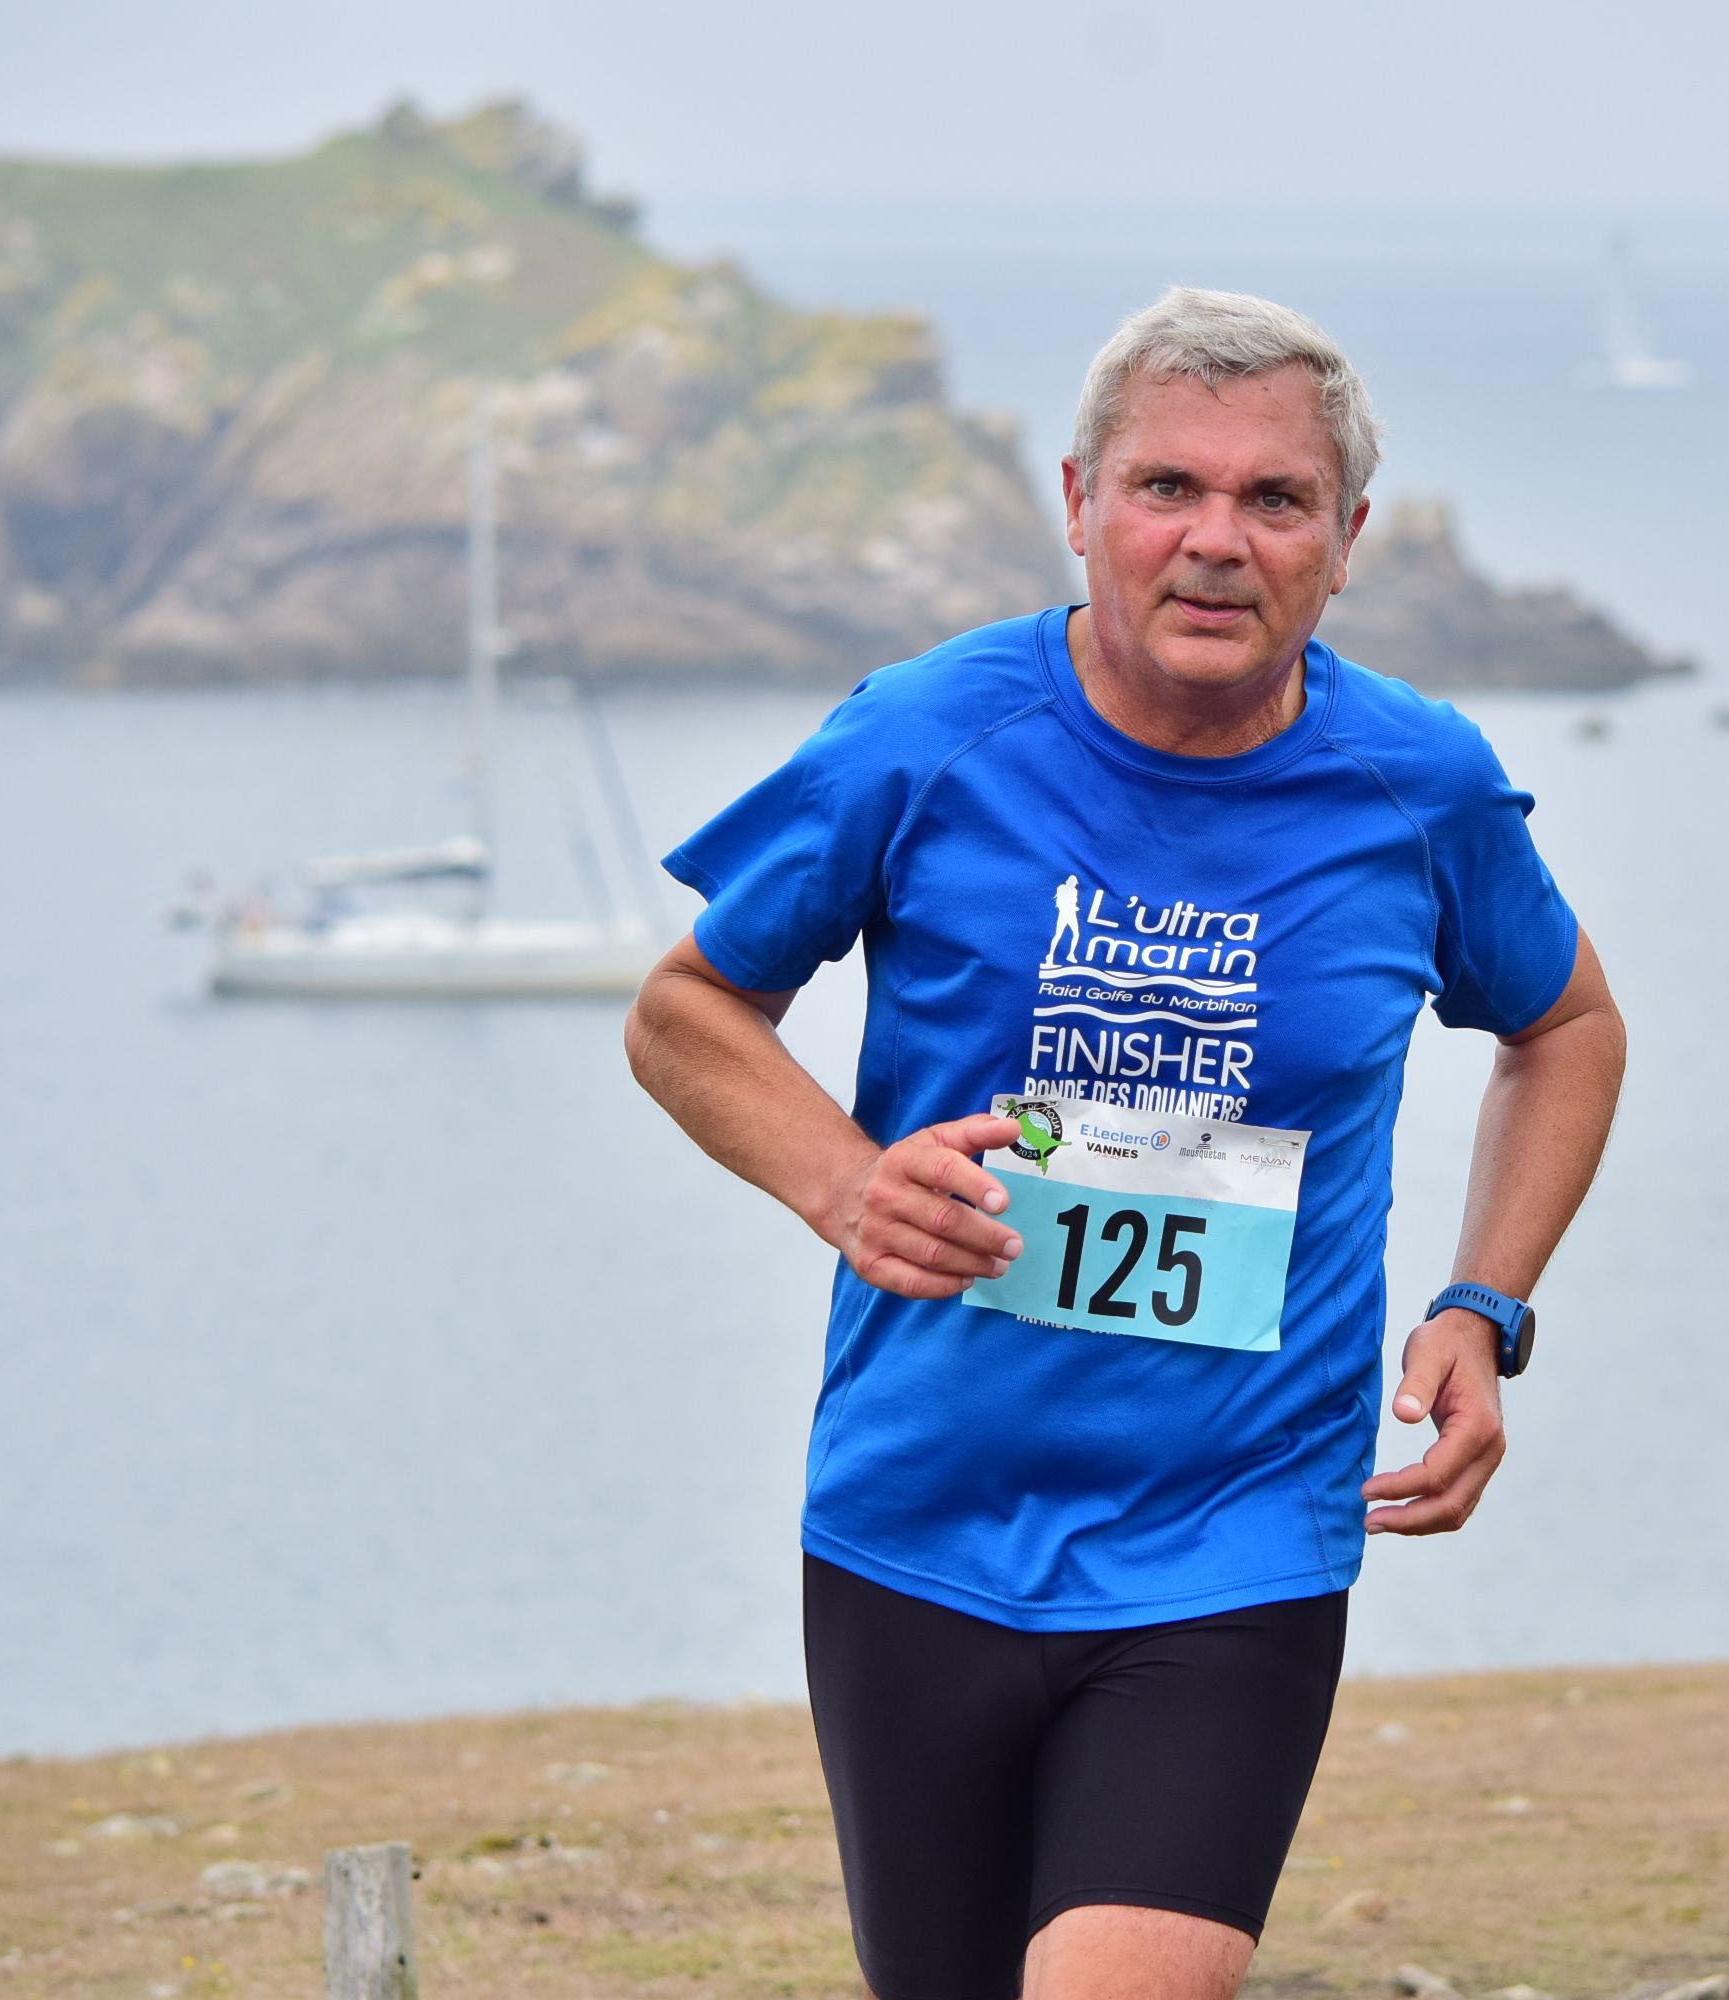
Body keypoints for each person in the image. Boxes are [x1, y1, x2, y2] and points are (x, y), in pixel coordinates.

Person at [624, 286, 1626, 2000]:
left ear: (1347, 540)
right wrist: (848, 1185)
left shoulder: (1419, 785)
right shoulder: (926, 736)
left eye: (1276, 499)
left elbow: (1567, 1028)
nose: (1216, 540)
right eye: (1168, 487)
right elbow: (686, 1011)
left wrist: (1485, 1305)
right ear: (1082, 503)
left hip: (1233, 1538)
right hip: (918, 1523)